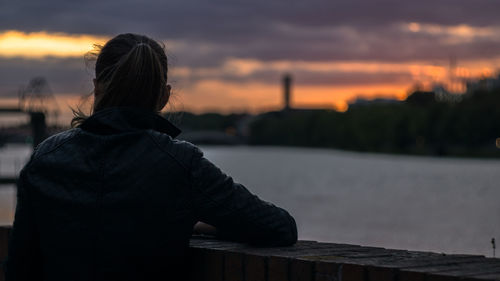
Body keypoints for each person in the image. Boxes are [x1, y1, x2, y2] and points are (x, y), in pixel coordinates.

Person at [4, 33, 297, 281]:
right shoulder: (180, 163)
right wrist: (201, 224)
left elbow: (19, 266)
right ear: (164, 96)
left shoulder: (45, 159)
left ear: (96, 88)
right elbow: (279, 227)